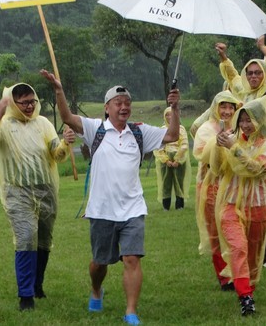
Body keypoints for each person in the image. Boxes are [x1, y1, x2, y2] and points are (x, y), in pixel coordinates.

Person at [40, 69, 180, 326]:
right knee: (99, 263)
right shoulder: (96, 129)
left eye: (127, 103)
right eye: (118, 103)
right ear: (107, 108)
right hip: (102, 210)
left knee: (131, 258)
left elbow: (172, 136)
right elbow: (67, 118)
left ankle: (130, 311)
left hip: (133, 208)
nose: (124, 107)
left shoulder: (139, 132)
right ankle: (96, 290)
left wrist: (175, 108)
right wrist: (59, 91)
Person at [0, 83, 75, 311]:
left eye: (32, 101)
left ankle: (37, 286)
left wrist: (66, 142)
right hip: (17, 192)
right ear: (12, 103)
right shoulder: (2, 126)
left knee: (44, 241)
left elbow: (56, 154)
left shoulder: (44, 124)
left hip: (46, 190)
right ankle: (25, 296)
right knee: (26, 237)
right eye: (24, 102)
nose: (29, 106)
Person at [215, 97, 266, 316]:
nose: (245, 124)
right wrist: (218, 146)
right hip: (231, 204)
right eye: (241, 120)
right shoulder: (233, 140)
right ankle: (245, 296)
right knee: (238, 247)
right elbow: (217, 168)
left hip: (258, 206)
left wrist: (233, 148)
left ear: (261, 120)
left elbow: (256, 169)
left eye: (249, 119)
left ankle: (248, 287)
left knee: (253, 253)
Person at [193, 90, 241, 291]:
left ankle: (237, 272)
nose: (227, 111)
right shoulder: (206, 129)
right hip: (211, 187)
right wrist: (219, 142)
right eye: (223, 106)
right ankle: (223, 276)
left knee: (233, 231)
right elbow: (201, 154)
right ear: (215, 107)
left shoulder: (240, 127)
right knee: (215, 232)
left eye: (231, 107)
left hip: (234, 185)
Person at [153, 107, 191, 210]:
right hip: (165, 160)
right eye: (167, 115)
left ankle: (180, 205)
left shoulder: (181, 129)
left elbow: (184, 144)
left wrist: (177, 159)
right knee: (166, 182)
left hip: (178, 158)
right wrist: (166, 160)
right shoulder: (162, 130)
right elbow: (158, 146)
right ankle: (166, 206)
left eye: (172, 114)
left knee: (179, 181)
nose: (169, 117)